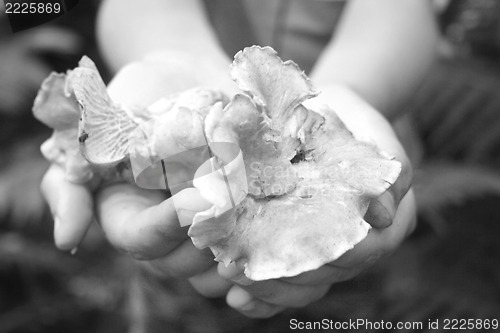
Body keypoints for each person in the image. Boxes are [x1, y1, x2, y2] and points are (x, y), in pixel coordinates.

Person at [41, 0, 437, 319]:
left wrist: (351, 88)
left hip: (343, 121)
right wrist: (171, 55)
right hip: (187, 168)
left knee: (373, 286)